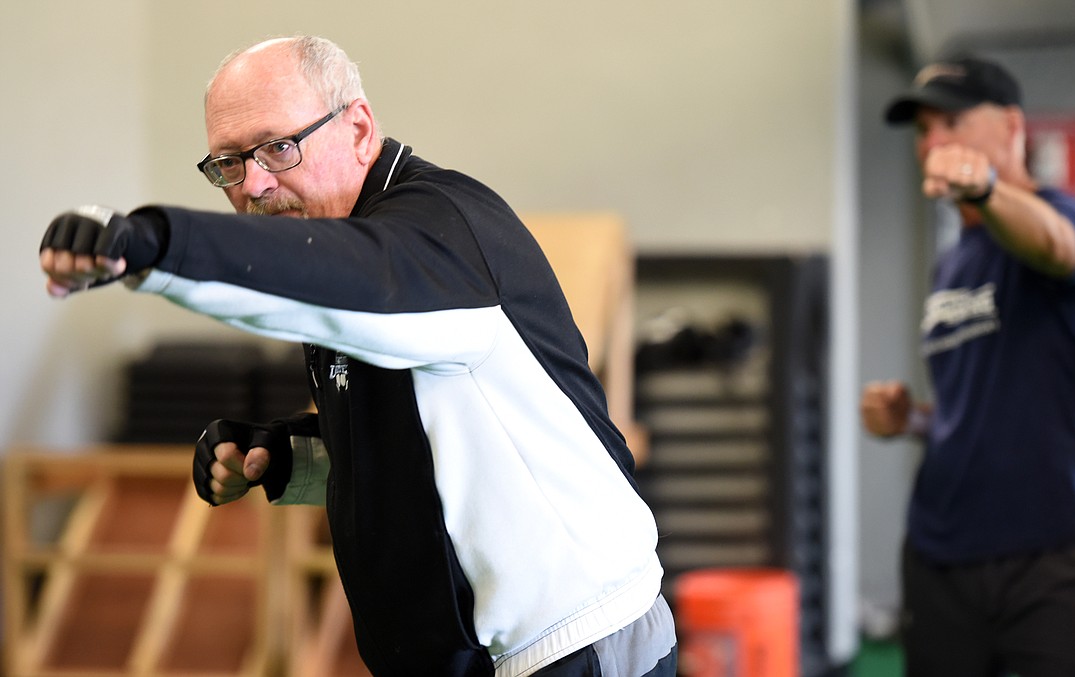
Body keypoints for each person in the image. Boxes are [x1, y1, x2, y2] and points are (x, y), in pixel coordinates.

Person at [38, 35, 677, 677]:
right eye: (229, 163)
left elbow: (318, 278)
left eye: (277, 148)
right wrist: (287, 457)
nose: (253, 185)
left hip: (573, 647)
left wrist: (150, 246)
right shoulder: (354, 247)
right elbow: (426, 444)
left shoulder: (440, 235)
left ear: (359, 128)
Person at [859, 55, 1075, 677]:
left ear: (1011, 126)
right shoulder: (951, 265)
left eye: (951, 120)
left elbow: (1054, 245)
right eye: (924, 130)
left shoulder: (1066, 221)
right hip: (940, 557)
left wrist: (984, 189)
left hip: (1049, 556)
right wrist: (912, 420)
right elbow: (971, 410)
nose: (934, 142)